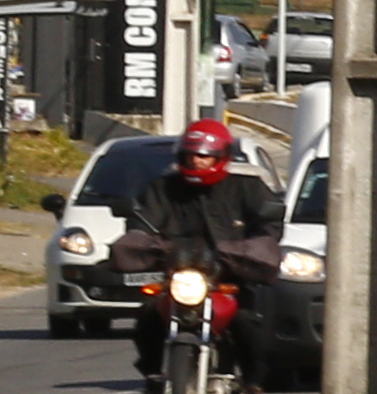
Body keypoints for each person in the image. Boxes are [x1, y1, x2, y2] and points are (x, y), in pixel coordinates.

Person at [118, 114, 287, 380]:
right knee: (149, 316)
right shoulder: (164, 188)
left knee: (247, 321)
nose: (197, 161)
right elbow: (143, 221)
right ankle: (151, 376)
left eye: (205, 156)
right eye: (191, 155)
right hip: (180, 275)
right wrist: (141, 242)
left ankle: (253, 386)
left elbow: (269, 224)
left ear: (222, 157)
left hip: (231, 275)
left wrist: (253, 247)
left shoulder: (247, 186)